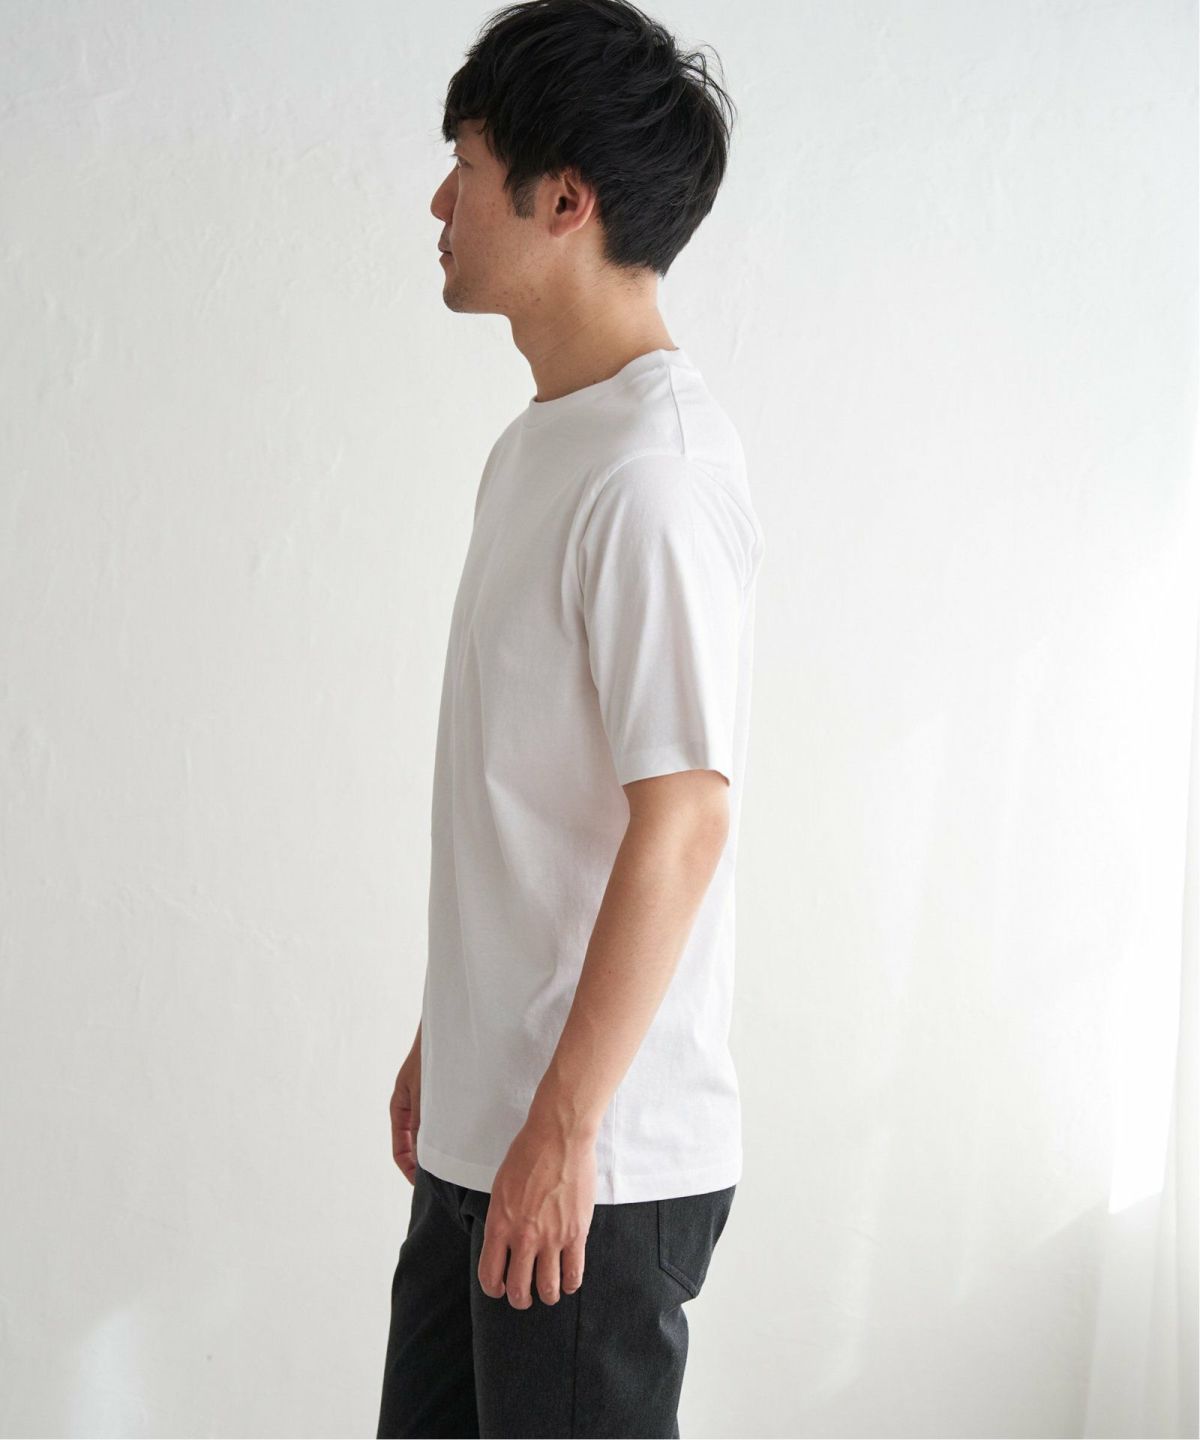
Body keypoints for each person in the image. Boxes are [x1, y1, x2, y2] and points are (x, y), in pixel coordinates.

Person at [377, 1, 765, 1434]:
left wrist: (561, 1123)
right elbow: (535, 791)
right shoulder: (541, 447)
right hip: (499, 1128)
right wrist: (454, 1033)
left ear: (564, 200)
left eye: (466, 165)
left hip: (595, 1163)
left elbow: (685, 818)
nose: (440, 203)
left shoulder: (654, 474)